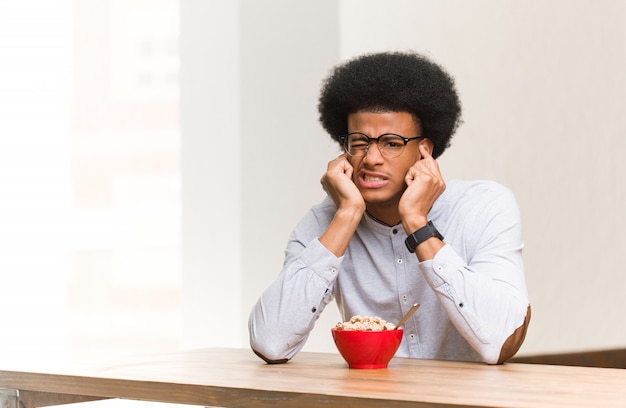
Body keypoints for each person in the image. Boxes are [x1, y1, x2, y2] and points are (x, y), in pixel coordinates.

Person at [248, 51, 531, 365]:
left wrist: (417, 223)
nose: (371, 158)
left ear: (425, 151)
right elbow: (270, 342)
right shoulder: (325, 222)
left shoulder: (484, 207)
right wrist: (346, 216)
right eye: (359, 142)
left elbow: (502, 340)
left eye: (391, 143)